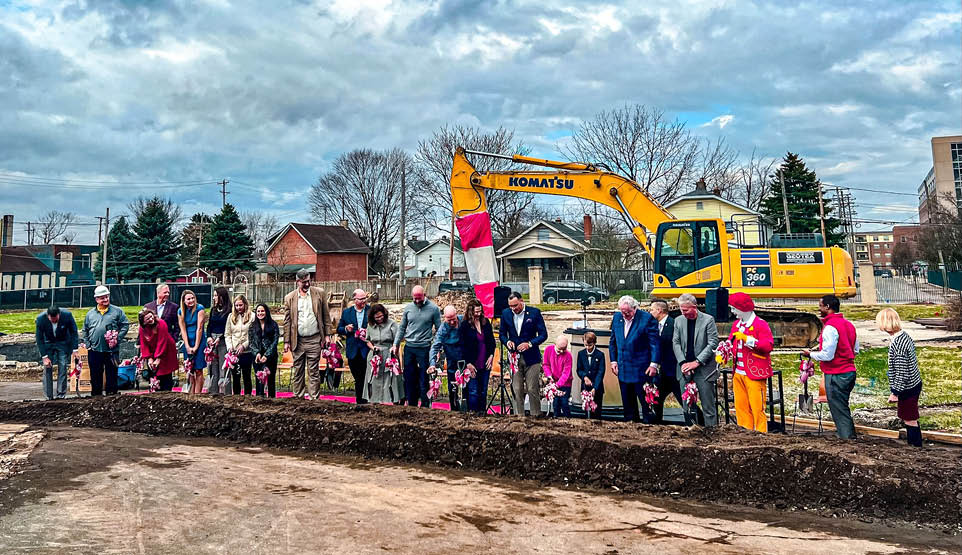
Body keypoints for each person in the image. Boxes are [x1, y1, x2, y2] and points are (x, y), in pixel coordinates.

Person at [802, 294, 859, 440]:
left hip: (836, 374)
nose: (819, 309)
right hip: (849, 371)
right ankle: (848, 434)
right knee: (842, 405)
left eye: (820, 306)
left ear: (827, 307)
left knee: (839, 408)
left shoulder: (830, 328)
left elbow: (828, 355)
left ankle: (846, 437)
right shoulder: (849, 325)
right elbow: (855, 350)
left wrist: (811, 354)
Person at [726, 292, 774, 433]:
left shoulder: (760, 324)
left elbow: (768, 346)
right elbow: (731, 342)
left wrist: (748, 340)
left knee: (757, 408)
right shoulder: (736, 324)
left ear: (742, 308)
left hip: (754, 373)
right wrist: (724, 351)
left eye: (734, 308)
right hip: (738, 372)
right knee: (741, 407)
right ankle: (745, 434)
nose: (732, 311)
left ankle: (760, 434)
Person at [609, 295, 660, 423]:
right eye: (623, 312)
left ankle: (649, 429)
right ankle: (630, 427)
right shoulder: (617, 318)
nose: (625, 314)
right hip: (623, 368)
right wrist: (613, 361)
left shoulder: (647, 319)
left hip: (641, 369)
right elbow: (613, 341)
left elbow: (654, 343)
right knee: (628, 404)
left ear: (635, 308)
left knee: (646, 403)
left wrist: (654, 364)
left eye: (628, 312)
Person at [876, 308, 923, 447]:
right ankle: (914, 444)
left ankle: (915, 446)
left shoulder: (898, 343)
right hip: (913, 383)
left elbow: (902, 370)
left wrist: (895, 392)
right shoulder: (903, 336)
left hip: (908, 387)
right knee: (908, 416)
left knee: (910, 418)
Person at [671, 294, 720, 427]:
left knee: (707, 405)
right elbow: (675, 342)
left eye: (685, 310)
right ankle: (691, 429)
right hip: (684, 369)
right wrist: (682, 362)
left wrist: (697, 362)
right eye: (681, 310)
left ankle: (712, 431)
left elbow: (713, 343)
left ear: (694, 307)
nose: (683, 312)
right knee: (687, 405)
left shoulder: (708, 320)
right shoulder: (678, 320)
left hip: (704, 370)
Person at [283, 269, 332, 400]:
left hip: (314, 338)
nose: (307, 284)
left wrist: (327, 335)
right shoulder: (290, 298)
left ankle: (314, 399)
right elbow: (287, 321)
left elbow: (326, 316)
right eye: (304, 282)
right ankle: (298, 398)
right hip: (297, 340)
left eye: (309, 281)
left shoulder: (319, 294)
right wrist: (286, 341)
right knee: (298, 371)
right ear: (297, 282)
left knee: (313, 371)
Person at [391, 285, 441, 408]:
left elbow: (439, 329)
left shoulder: (433, 309)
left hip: (424, 348)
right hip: (409, 347)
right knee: (409, 377)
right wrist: (395, 344)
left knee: (424, 378)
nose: (417, 301)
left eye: (419, 298)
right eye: (415, 298)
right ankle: (411, 404)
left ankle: (425, 405)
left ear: (425, 295)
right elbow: (402, 327)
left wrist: (438, 349)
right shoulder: (408, 308)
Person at [499, 292, 548, 417]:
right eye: (511, 306)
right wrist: (507, 342)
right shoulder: (506, 314)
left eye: (515, 305)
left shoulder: (534, 313)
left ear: (521, 301)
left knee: (532, 388)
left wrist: (530, 344)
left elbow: (543, 335)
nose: (513, 309)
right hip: (515, 358)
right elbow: (502, 334)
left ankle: (535, 416)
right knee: (517, 389)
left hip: (532, 358)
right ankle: (518, 417)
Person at [83, 285, 130, 396]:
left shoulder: (117, 311)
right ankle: (96, 395)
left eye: (107, 297)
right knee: (95, 374)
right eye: (102, 298)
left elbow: (125, 325)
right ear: (97, 299)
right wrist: (87, 344)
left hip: (111, 351)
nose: (105, 299)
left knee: (112, 373)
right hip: (94, 349)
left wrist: (117, 338)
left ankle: (112, 394)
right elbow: (85, 329)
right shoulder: (90, 313)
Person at [648, 300, 684, 424]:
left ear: (659, 310)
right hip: (661, 372)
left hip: (673, 371)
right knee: (656, 399)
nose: (650, 312)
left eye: (652, 309)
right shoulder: (654, 326)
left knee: (683, 399)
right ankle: (657, 424)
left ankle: (697, 422)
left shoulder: (673, 325)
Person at [459, 299, 496, 414]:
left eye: (480, 312)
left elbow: (492, 342)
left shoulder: (486, 323)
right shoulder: (465, 326)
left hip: (485, 361)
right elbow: (462, 346)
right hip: (472, 363)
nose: (478, 314)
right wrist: (468, 363)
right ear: (470, 312)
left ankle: (482, 413)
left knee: (483, 391)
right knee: (473, 391)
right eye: (476, 312)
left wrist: (491, 356)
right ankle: (473, 414)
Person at [35, 307, 79, 400]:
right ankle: (48, 396)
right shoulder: (40, 319)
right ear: (48, 316)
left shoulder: (67, 315)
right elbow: (39, 339)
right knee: (47, 368)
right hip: (48, 342)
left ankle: (61, 394)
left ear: (59, 314)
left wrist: (75, 349)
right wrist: (44, 357)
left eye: (56, 319)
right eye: (52, 320)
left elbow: (74, 332)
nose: (54, 321)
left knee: (62, 365)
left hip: (62, 342)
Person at [336, 289, 370, 403]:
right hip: (353, 350)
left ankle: (364, 401)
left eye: (364, 298)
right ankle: (360, 401)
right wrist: (346, 329)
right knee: (358, 377)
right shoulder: (347, 313)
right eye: (360, 299)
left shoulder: (370, 311)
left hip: (366, 349)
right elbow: (339, 329)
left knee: (366, 377)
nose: (363, 301)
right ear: (354, 300)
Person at [364, 303, 401, 404]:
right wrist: (373, 348)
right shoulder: (370, 326)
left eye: (381, 316)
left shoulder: (392, 324)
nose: (379, 319)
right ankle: (374, 400)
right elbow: (367, 341)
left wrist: (394, 352)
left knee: (390, 379)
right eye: (376, 317)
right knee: (375, 379)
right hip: (375, 355)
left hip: (389, 355)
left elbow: (397, 341)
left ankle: (392, 400)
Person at [429, 305, 464, 411]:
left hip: (466, 359)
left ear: (456, 314)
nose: (452, 322)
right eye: (449, 320)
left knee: (468, 387)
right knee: (452, 387)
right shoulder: (443, 329)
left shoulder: (465, 321)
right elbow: (435, 347)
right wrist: (432, 364)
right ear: (444, 318)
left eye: (453, 319)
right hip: (452, 360)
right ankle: (454, 409)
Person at [138, 308, 178, 391]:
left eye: (151, 317)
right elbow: (143, 344)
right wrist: (149, 358)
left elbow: (162, 341)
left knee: (165, 374)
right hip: (153, 351)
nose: (151, 319)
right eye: (148, 319)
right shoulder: (142, 329)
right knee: (153, 373)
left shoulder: (161, 323)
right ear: (143, 322)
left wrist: (158, 358)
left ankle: (167, 392)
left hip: (166, 350)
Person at [177, 289, 207, 394]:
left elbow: (200, 328)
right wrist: (187, 346)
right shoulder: (180, 311)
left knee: (198, 370)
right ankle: (191, 393)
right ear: (184, 301)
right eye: (188, 299)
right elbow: (183, 329)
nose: (191, 300)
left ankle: (198, 394)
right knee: (190, 370)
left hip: (199, 341)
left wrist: (196, 347)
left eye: (192, 298)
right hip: (188, 341)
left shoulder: (200, 309)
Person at [226, 294, 255, 395]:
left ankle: (248, 397)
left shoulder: (252, 316)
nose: (239, 308)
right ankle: (236, 397)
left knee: (246, 375)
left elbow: (253, 335)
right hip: (234, 352)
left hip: (247, 351)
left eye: (241, 305)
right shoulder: (231, 317)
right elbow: (228, 334)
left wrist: (244, 345)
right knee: (236, 376)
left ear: (245, 305)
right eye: (237, 305)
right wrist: (230, 347)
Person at [249, 302, 280, 398]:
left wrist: (267, 355)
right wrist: (257, 353)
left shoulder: (274, 325)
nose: (260, 313)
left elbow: (275, 341)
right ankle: (259, 398)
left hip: (271, 357)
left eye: (262, 311)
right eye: (258, 311)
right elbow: (251, 342)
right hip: (257, 357)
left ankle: (271, 399)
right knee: (259, 380)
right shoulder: (252, 326)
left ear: (266, 312)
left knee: (271, 380)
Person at [206, 286, 231, 395]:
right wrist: (209, 337)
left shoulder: (229, 310)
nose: (214, 298)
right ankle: (213, 390)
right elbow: (209, 325)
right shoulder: (213, 310)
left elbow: (228, 327)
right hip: (213, 340)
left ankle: (225, 392)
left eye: (216, 295)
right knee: (213, 366)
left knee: (223, 367)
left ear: (221, 296)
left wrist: (220, 338)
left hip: (223, 340)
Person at [576, 331, 605, 419]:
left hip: (597, 388)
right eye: (585, 345)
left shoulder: (600, 355)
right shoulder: (581, 354)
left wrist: (595, 388)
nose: (587, 347)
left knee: (596, 411)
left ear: (594, 343)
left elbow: (601, 372)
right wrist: (584, 377)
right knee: (586, 411)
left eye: (590, 345)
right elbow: (579, 370)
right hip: (585, 387)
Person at [543, 335, 573, 418]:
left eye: (564, 349)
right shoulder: (548, 350)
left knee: (564, 403)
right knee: (555, 403)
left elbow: (566, 373)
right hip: (553, 380)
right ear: (555, 344)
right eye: (560, 349)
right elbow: (546, 364)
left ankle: (568, 419)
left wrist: (557, 385)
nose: (562, 351)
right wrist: (549, 375)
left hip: (566, 383)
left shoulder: (568, 356)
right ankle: (556, 419)